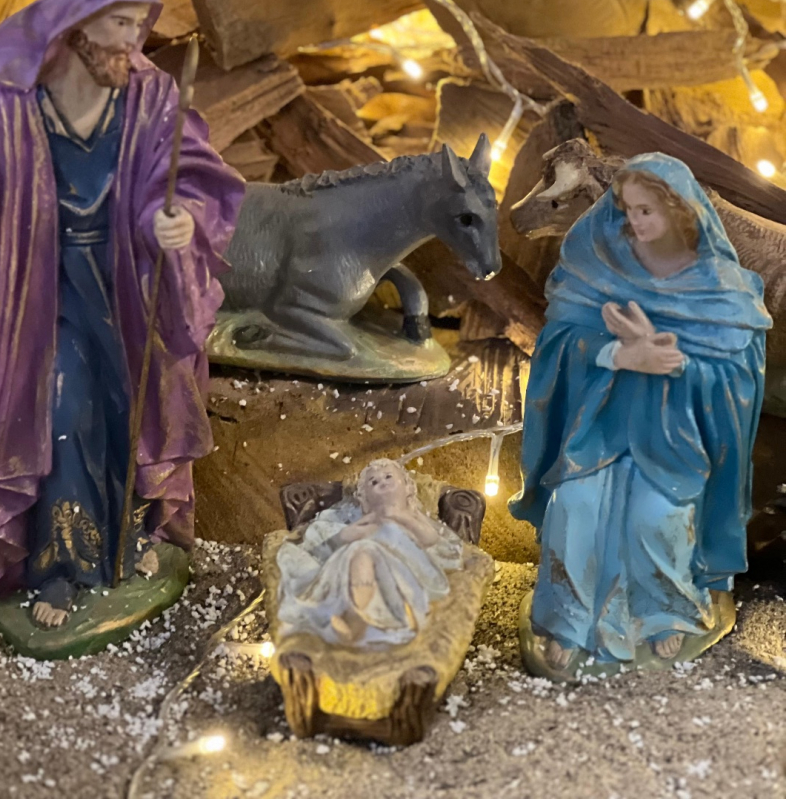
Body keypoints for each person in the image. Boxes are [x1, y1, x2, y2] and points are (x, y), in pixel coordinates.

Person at [0, 0, 245, 628]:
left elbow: (187, 175)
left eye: (140, 24)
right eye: (122, 24)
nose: (135, 40)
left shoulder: (151, 94)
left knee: (130, 407)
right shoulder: (10, 96)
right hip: (40, 290)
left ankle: (127, 541)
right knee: (63, 407)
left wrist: (173, 220)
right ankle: (61, 567)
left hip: (128, 282)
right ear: (79, 21)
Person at [509, 153, 771, 670]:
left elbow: (736, 378)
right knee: (574, 507)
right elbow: (560, 344)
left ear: (679, 211)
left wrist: (670, 362)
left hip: (673, 439)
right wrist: (618, 355)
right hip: (597, 432)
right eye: (627, 209)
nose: (634, 221)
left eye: (646, 210)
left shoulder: (721, 288)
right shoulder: (595, 263)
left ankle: (665, 614)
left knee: (657, 518)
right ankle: (568, 621)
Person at [276, 459, 463, 646]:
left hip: (406, 570)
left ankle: (371, 621)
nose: (382, 482)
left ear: (407, 488)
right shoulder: (364, 520)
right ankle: (354, 617)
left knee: (364, 550)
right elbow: (333, 543)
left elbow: (431, 540)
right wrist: (346, 536)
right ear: (365, 499)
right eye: (373, 482)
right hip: (366, 565)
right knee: (359, 551)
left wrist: (401, 517)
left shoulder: (413, 517)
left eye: (388, 476)